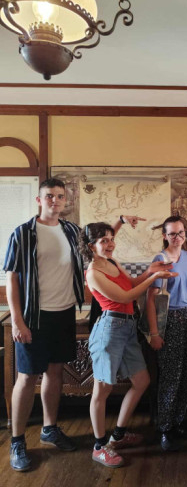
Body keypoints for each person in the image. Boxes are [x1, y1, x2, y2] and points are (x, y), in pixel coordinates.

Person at [3, 177, 142, 472]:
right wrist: (17, 320)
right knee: (26, 377)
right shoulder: (23, 233)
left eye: (59, 196)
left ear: (65, 201)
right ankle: (17, 441)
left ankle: (49, 428)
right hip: (33, 316)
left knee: (55, 371)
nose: (55, 200)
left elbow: (97, 243)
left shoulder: (70, 230)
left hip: (64, 313)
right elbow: (12, 277)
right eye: (49, 196)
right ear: (39, 200)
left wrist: (119, 222)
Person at [80, 222, 177, 467]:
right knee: (102, 389)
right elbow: (125, 296)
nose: (110, 244)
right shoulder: (93, 273)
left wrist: (150, 270)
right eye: (103, 241)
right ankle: (99, 446)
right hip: (109, 330)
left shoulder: (111, 262)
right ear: (91, 246)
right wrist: (154, 277)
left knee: (142, 381)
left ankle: (118, 435)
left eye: (111, 239)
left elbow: (132, 284)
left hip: (128, 327)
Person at [146, 215, 187, 451]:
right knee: (171, 376)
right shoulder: (160, 260)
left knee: (186, 373)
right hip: (169, 319)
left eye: (181, 233)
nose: (177, 237)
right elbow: (150, 300)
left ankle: (178, 422)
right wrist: (155, 334)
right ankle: (165, 427)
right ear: (165, 236)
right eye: (172, 233)